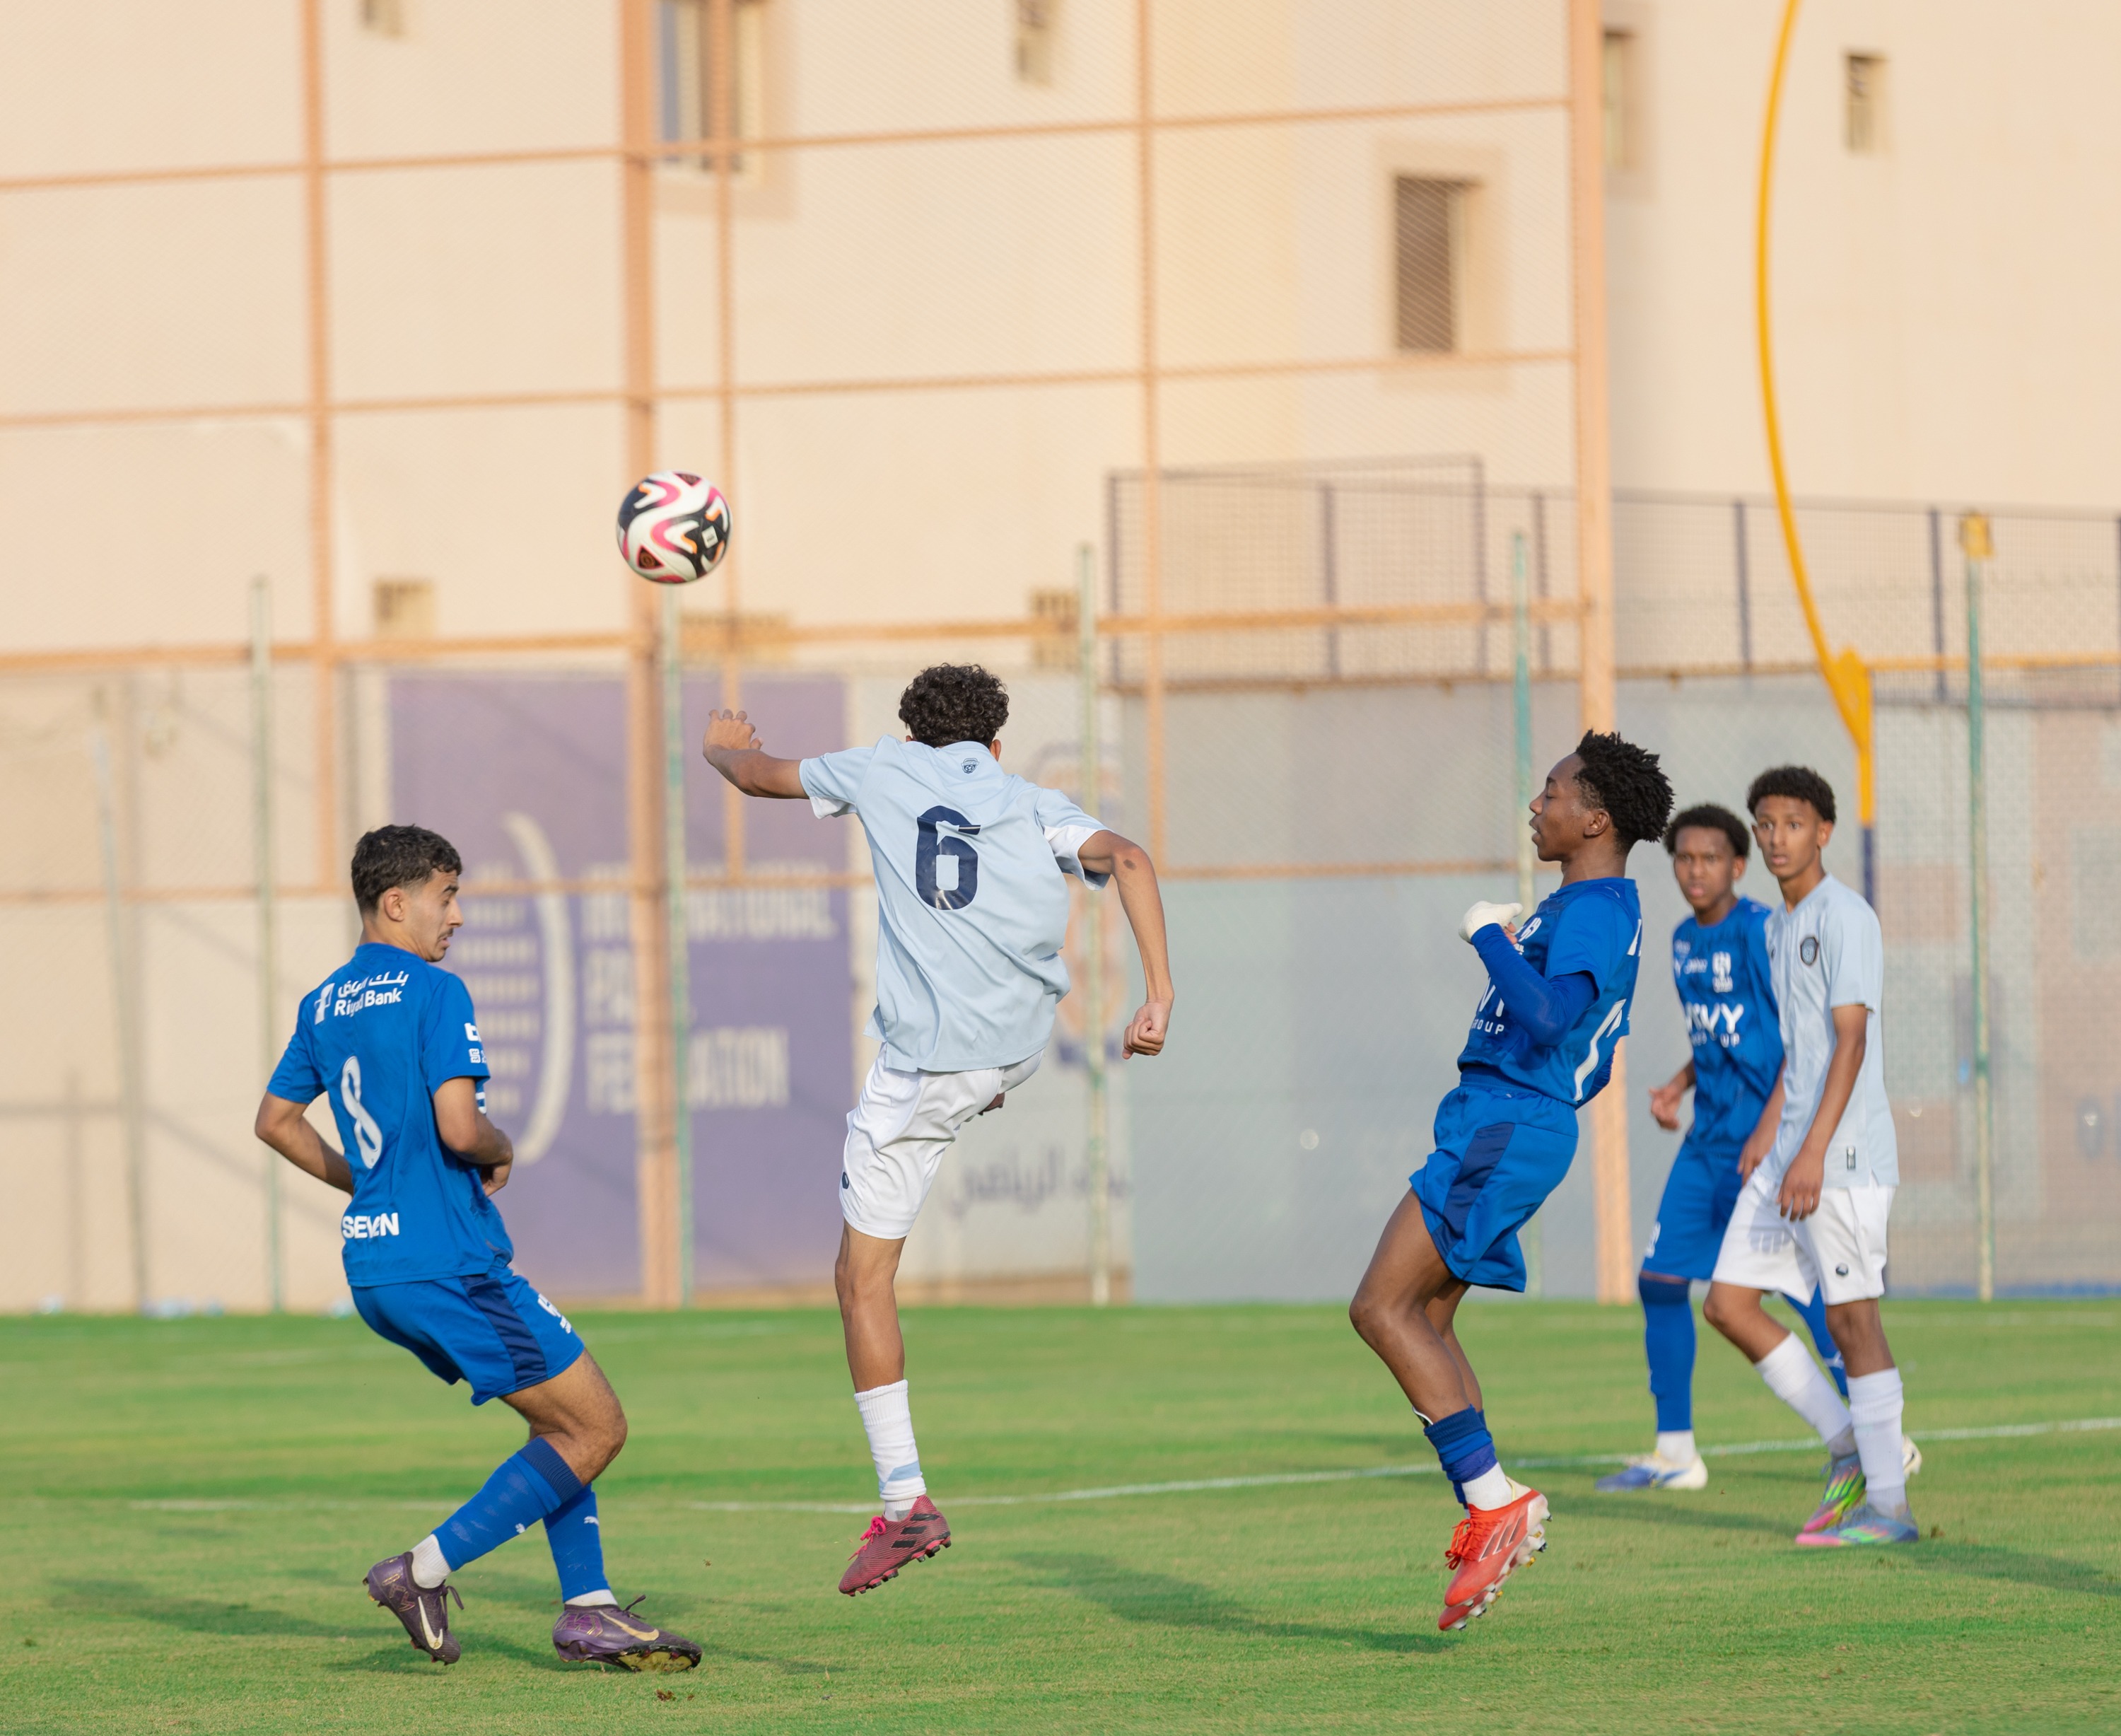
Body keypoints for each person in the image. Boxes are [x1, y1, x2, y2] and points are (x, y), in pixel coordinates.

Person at [699, 663, 1174, 1595]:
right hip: (1014, 1048)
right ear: (994, 744)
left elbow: (758, 775)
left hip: (928, 1068)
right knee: (962, 1091)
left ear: (913, 736)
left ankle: (906, 1501)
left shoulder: (881, 770)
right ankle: (982, 1083)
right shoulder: (1034, 798)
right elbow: (1133, 861)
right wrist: (1158, 995)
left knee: (859, 1276)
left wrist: (723, 744)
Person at [254, 825, 701, 1670]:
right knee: (598, 1426)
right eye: (445, 894)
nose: (456, 915)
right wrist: (501, 1149)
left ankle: (590, 1608)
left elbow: (274, 1123)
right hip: (451, 1263)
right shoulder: (434, 989)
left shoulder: (323, 1002)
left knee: (560, 1424)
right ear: (397, 902)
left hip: (379, 1268)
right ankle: (421, 1569)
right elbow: (462, 1128)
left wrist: (369, 1186)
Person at [1350, 730, 1672, 1633]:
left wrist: (1488, 933)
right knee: (1426, 1317)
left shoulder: (1597, 908)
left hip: (1508, 1119)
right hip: (1504, 1116)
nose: (1538, 805)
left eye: (1554, 792)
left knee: (1380, 1308)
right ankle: (1491, 1507)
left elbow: (1549, 1016)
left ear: (1596, 818)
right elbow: (1587, 1050)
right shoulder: (1583, 906)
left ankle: (1495, 1503)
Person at [1595, 803, 1848, 1493]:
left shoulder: (1762, 932)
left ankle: (1875, 1425)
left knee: (1797, 1285)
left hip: (1765, 1141)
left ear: (1739, 866)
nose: (1695, 869)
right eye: (1684, 857)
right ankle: (1676, 1452)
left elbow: (1803, 1037)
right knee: (1661, 1281)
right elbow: (1720, 1036)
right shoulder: (1681, 939)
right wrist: (1679, 1083)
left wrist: (1771, 1126)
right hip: (1707, 1142)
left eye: (1710, 858)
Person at [1701, 767, 1918, 1546]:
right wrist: (1773, 1132)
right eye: (1764, 824)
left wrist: (1814, 1152)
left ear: (1823, 831)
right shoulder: (1776, 926)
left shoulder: (1845, 915)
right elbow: (1804, 1046)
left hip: (1842, 1156)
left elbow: (1851, 1040)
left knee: (1854, 1321)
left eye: (1791, 823)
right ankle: (1849, 1446)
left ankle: (1889, 1507)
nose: (1775, 837)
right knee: (1727, 1302)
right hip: (1791, 1148)